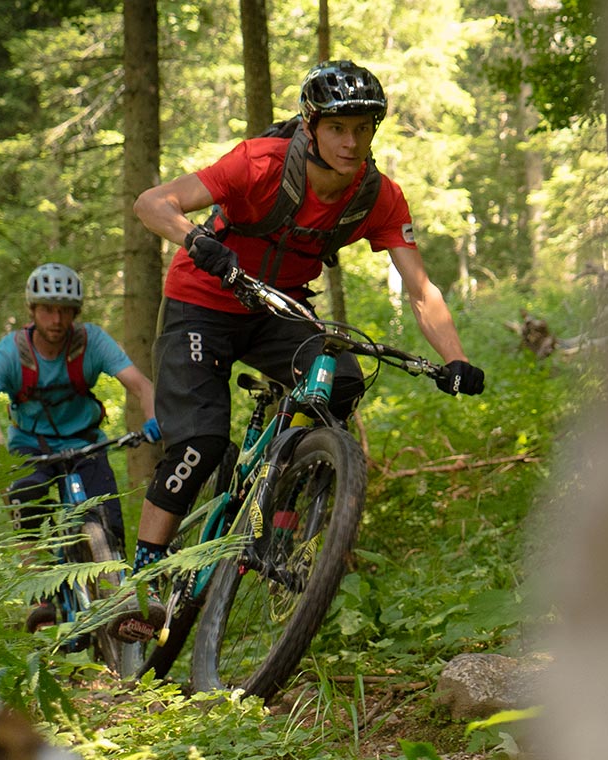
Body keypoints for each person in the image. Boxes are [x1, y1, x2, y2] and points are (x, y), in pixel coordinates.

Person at [128, 60, 485, 596]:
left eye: (363, 129)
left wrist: (454, 359)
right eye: (338, 128)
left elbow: (421, 290)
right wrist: (198, 243)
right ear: (311, 125)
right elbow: (152, 203)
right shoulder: (259, 164)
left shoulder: (378, 196)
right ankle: (145, 575)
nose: (350, 142)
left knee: (342, 383)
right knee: (199, 441)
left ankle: (281, 526)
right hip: (201, 302)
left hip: (280, 308)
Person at [0, 262, 164, 635]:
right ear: (32, 311)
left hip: (84, 442)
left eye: (66, 310)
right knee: (26, 498)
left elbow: (141, 385)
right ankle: (39, 595)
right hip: (31, 447)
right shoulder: (10, 354)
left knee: (106, 517)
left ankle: (118, 602)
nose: (57, 318)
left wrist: (152, 419)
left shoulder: (91, 342)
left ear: (75, 313)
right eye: (48, 309)